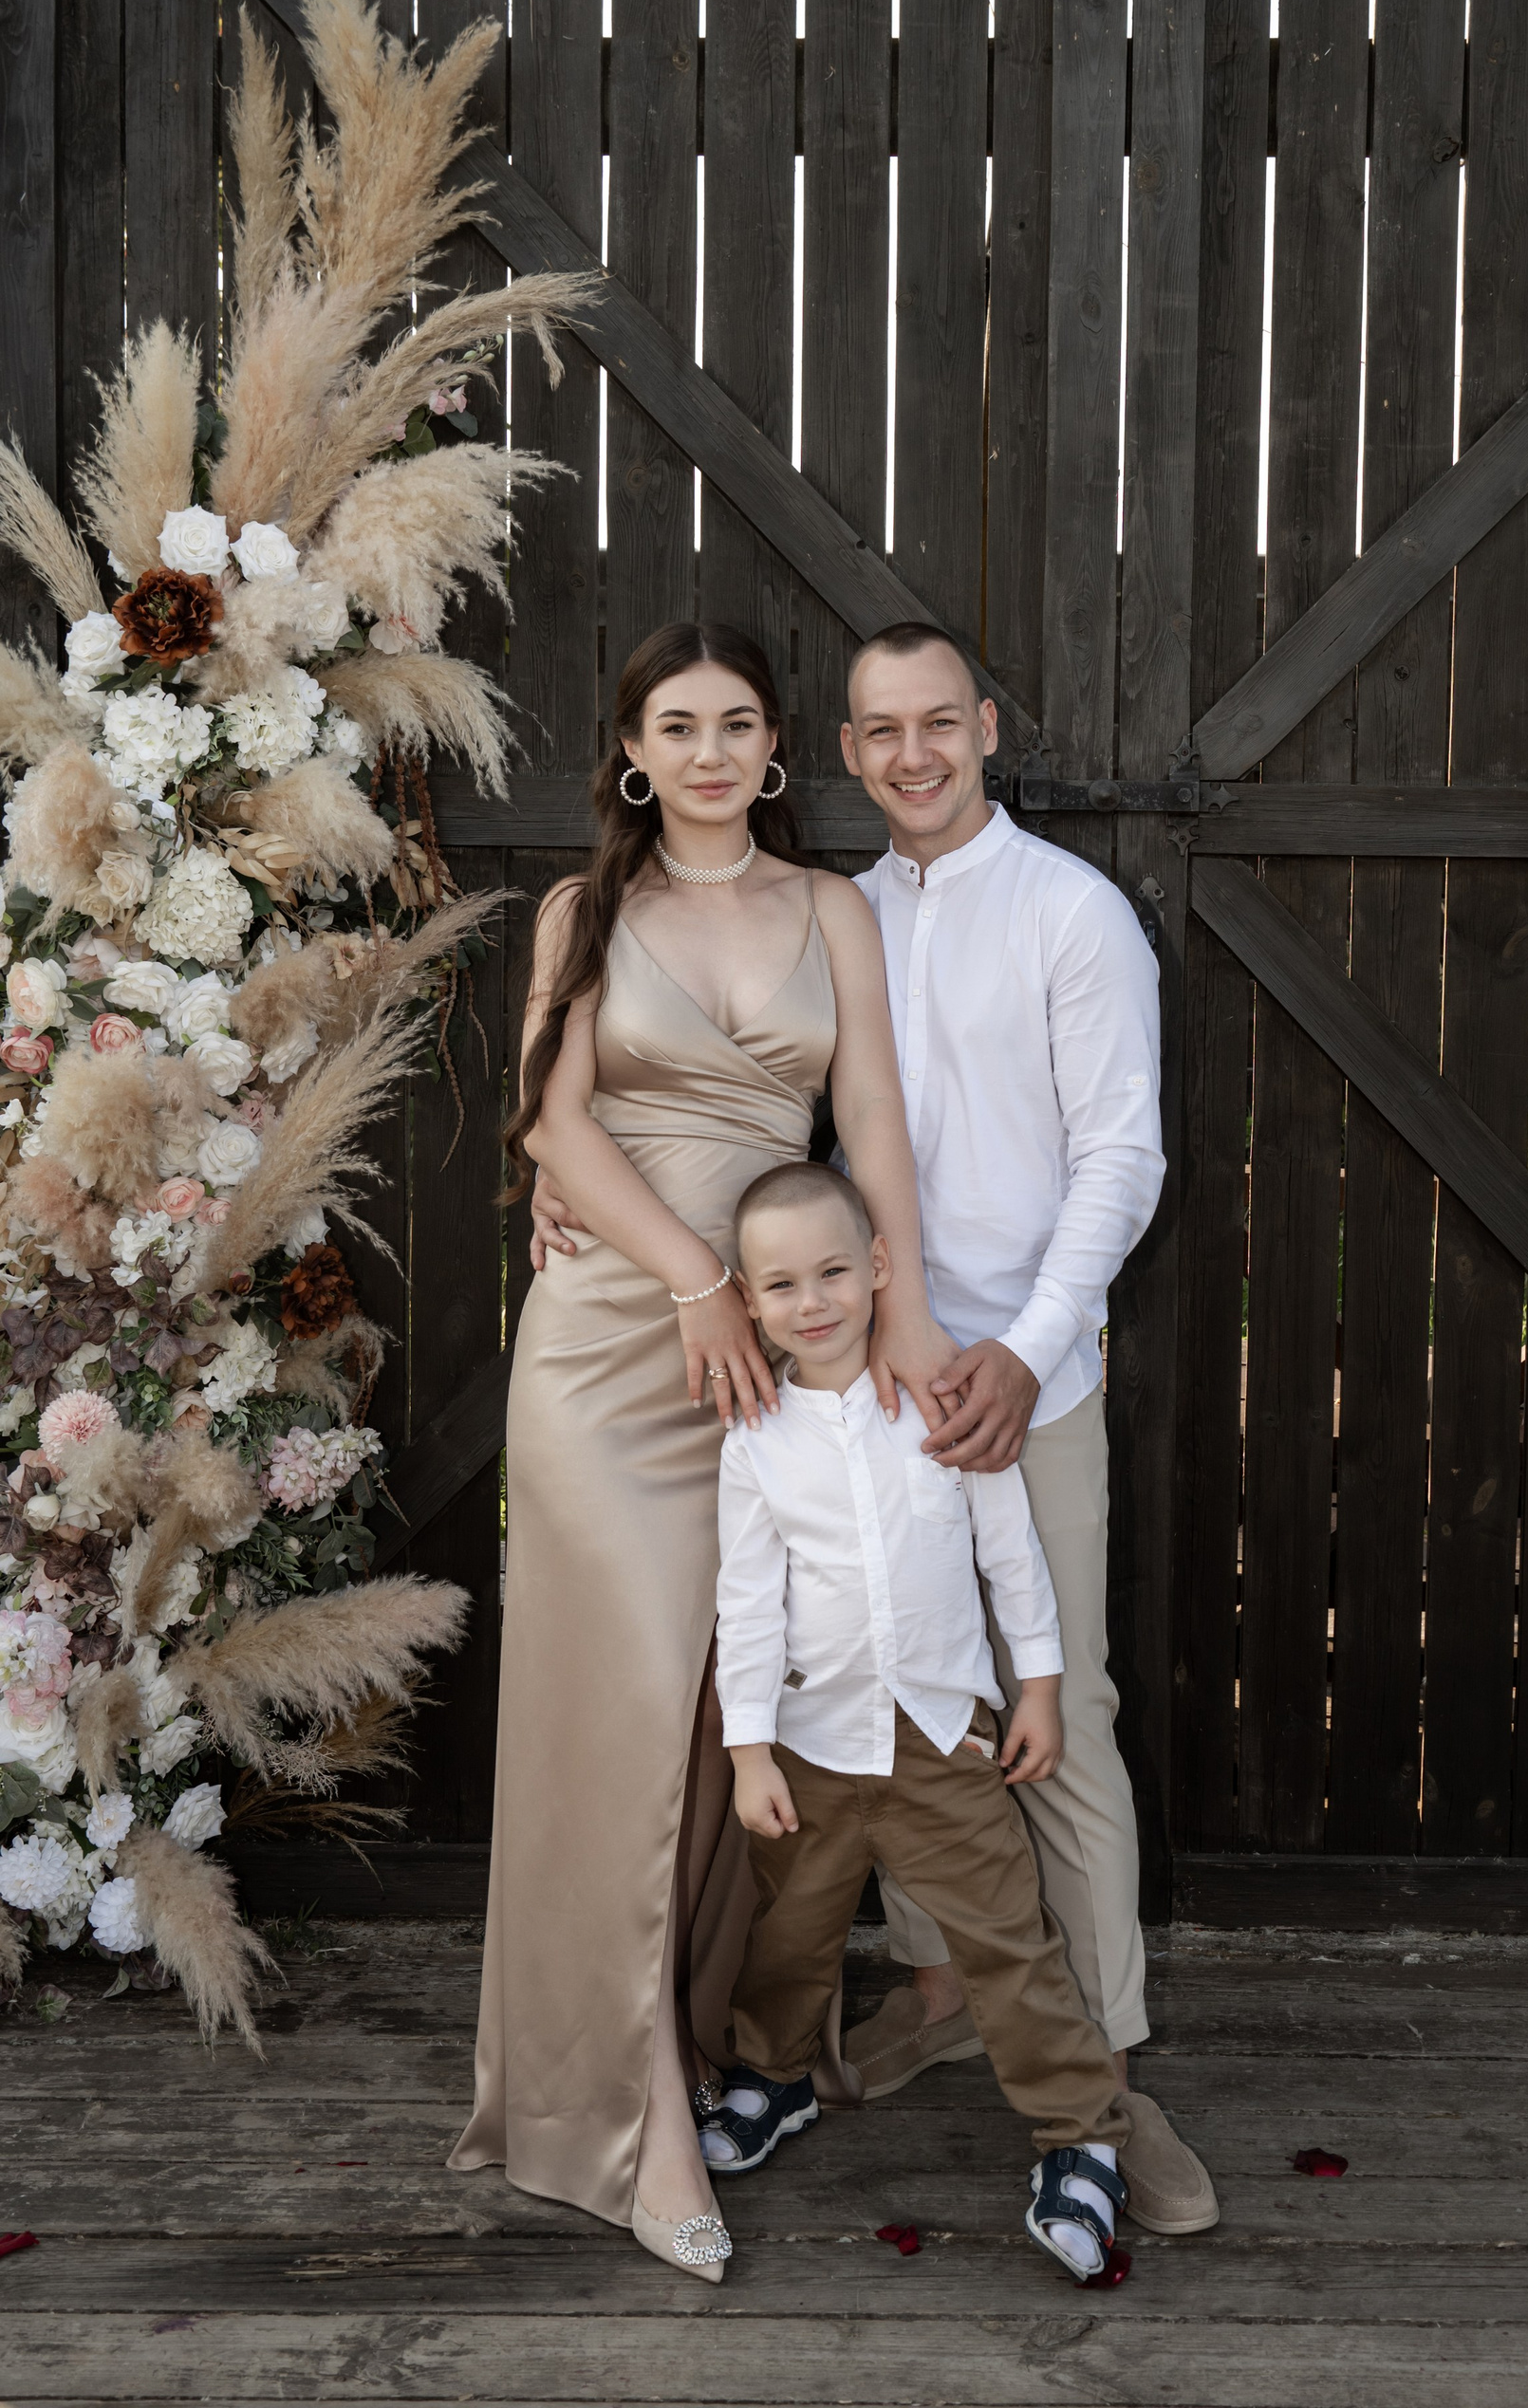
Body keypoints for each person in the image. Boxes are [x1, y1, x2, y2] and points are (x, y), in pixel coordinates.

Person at [531, 616, 1216, 2236]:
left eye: (939, 723)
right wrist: (564, 1185)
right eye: (881, 730)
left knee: (1056, 1709)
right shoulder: (838, 906)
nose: (913, 754)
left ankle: (1110, 2075)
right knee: (876, 1685)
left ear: (988, 727)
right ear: (841, 751)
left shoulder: (1071, 913)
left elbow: (1124, 1163)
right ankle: (937, 1994)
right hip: (835, 1367)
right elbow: (767, 1126)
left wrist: (1021, 1354)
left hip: (1003, 1372)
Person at [448, 621, 951, 2282]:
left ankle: (709, 2031)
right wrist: (691, 1276)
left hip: (776, 1352)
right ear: (633, 755)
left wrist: (897, 1311)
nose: (712, 751)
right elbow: (552, 1119)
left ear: (777, 747)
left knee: (747, 1702)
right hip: (616, 1345)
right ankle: (628, 2117)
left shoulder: (832, 910)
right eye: (679, 726)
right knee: (621, 1711)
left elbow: (869, 1121)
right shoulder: (583, 913)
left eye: (738, 723)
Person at [699, 1159, 1132, 2284]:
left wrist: (1039, 1689)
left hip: (943, 1741)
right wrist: (749, 1752)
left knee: (1010, 1943)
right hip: (812, 1746)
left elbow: (1009, 1555)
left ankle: (1081, 2135)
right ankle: (774, 2078)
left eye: (834, 1272)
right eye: (781, 1284)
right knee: (789, 1936)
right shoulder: (758, 1442)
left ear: (880, 1266)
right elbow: (748, 1606)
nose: (813, 1302)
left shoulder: (937, 1405)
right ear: (748, 1301)